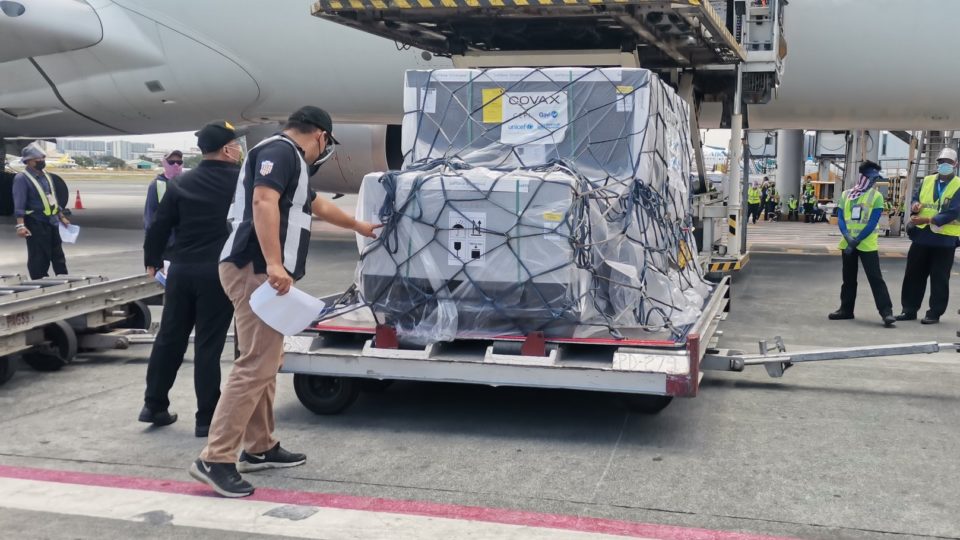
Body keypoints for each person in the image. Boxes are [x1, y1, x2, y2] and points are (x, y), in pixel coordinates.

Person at [189, 106, 382, 498]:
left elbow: (315, 205)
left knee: (266, 360)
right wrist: (275, 263)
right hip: (255, 269)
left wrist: (359, 225)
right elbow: (263, 201)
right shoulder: (280, 152)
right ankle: (216, 457)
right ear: (321, 136)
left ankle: (260, 447)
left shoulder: (290, 161)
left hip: (261, 271)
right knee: (254, 365)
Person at [139, 123, 245, 437]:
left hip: (181, 271)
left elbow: (159, 225)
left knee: (169, 338)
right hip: (218, 272)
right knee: (208, 345)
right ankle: (206, 418)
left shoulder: (181, 182)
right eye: (237, 146)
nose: (239, 150)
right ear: (227, 149)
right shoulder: (242, 182)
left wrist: (152, 260)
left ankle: (154, 404)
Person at [895, 148, 960, 325]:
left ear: (956, 165)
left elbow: (954, 212)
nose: (943, 165)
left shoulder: (958, 185)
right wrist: (915, 205)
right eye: (941, 162)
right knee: (913, 275)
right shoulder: (927, 180)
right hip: (922, 235)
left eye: (948, 162)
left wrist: (927, 219)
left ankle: (934, 313)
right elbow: (916, 198)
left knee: (939, 278)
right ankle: (908, 309)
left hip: (944, 239)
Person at [829, 161, 895, 327]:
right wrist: (847, 237)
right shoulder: (845, 195)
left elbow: (872, 222)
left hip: (866, 244)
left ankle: (886, 312)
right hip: (848, 243)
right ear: (863, 177)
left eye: (875, 179)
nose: (873, 182)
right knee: (848, 279)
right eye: (871, 178)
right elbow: (841, 219)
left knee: (875, 278)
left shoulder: (877, 197)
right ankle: (846, 310)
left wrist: (856, 240)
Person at [12, 146, 70, 279]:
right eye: (38, 159)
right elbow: (19, 203)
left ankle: (63, 279)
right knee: (39, 255)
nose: (42, 161)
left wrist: (61, 216)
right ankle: (39, 282)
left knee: (58, 255)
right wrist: (20, 225)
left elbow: (52, 198)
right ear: (29, 161)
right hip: (35, 221)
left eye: (43, 158)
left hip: (52, 221)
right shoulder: (22, 178)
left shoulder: (46, 176)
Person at [144, 150, 184, 230]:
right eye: (171, 162)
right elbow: (150, 213)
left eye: (179, 162)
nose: (176, 165)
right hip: (165, 236)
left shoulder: (186, 183)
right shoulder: (156, 185)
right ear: (165, 163)